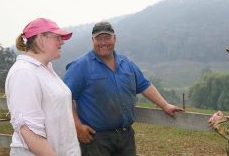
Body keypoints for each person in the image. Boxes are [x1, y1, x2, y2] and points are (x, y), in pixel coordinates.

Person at [63, 21, 183, 156]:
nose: (103, 43)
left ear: (115, 38)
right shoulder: (80, 66)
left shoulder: (126, 63)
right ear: (92, 40)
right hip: (96, 139)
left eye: (107, 38)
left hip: (126, 137)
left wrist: (165, 105)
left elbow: (144, 85)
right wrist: (78, 127)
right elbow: (64, 98)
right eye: (98, 39)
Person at [5, 18, 81, 156]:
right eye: (57, 37)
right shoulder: (24, 73)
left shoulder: (45, 69)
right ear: (41, 39)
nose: (62, 42)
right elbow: (29, 132)